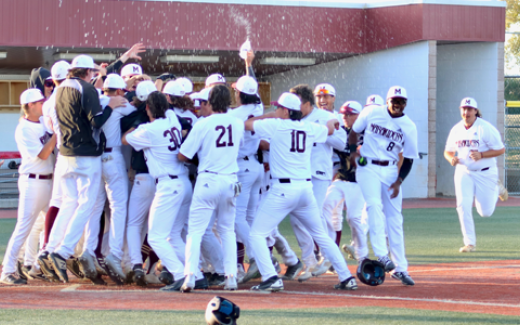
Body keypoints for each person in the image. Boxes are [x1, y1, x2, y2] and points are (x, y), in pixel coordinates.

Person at [246, 92, 357, 291]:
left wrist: (269, 115)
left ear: (286, 111)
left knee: (256, 234)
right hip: (305, 189)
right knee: (321, 235)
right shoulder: (309, 127)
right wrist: (333, 122)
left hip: (283, 189)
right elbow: (329, 130)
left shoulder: (276, 125)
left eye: (278, 107)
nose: (275, 110)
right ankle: (347, 276)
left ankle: (270, 278)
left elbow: (247, 124)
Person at [45, 54, 124, 283]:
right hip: (86, 155)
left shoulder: (58, 90)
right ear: (88, 72)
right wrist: (110, 106)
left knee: (69, 203)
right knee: (87, 205)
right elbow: (97, 122)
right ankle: (62, 251)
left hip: (65, 154)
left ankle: (51, 247)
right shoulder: (86, 89)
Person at [349, 86, 418, 286]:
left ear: (405, 103)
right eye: (394, 100)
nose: (397, 104)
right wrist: (353, 152)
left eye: (401, 101)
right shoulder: (372, 112)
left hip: (390, 171)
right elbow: (354, 132)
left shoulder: (409, 126)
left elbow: (409, 159)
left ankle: (401, 268)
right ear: (387, 101)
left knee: (395, 219)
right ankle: (381, 254)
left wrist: (399, 181)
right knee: (373, 205)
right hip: (367, 166)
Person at [178, 84, 245, 292]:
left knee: (195, 231)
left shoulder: (203, 123)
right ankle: (231, 277)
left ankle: (189, 277)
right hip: (230, 179)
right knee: (227, 231)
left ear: (210, 101)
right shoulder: (237, 122)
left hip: (208, 178)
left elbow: (184, 155)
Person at [123, 91, 190, 291]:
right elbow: (166, 113)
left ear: (148, 108)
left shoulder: (149, 129)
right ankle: (195, 273)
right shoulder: (173, 120)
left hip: (168, 185)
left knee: (156, 237)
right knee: (173, 236)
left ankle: (180, 275)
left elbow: (125, 139)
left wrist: (140, 122)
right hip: (184, 182)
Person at [288, 84, 346, 281]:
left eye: (326, 96)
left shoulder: (326, 118)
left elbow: (341, 143)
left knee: (316, 215)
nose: (323, 100)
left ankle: (328, 258)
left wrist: (323, 133)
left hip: (318, 172)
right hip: (298, 173)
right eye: (319, 96)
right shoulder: (294, 117)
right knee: (296, 218)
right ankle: (310, 261)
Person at [0, 89, 56, 285]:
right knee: (24, 227)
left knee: (45, 225)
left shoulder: (41, 121)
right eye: (40, 102)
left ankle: (33, 265)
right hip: (32, 181)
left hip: (48, 180)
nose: (43, 104)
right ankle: (7, 270)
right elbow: (42, 154)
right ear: (30, 105)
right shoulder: (23, 128)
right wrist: (57, 135)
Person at [444, 97, 507, 253]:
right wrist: (451, 158)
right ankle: (469, 243)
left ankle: (496, 188)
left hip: (485, 172)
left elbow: (501, 150)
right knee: (462, 205)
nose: (466, 112)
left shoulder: (485, 128)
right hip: (464, 171)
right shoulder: (456, 129)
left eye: (469, 109)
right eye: (463, 109)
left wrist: (482, 155)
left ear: (475, 111)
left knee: (485, 212)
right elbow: (448, 151)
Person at [322, 101, 369, 262]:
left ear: (359, 115)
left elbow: (361, 158)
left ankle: (362, 256)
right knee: (325, 208)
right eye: (343, 114)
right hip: (341, 178)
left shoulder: (366, 133)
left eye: (349, 114)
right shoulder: (341, 131)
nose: (345, 117)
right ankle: (329, 253)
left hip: (359, 181)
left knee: (354, 219)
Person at [227, 75, 263, 281]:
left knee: (237, 218)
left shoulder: (234, 114)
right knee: (249, 217)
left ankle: (259, 257)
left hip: (242, 168)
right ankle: (257, 258)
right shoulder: (258, 108)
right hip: (256, 167)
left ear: (239, 94)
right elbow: (252, 92)